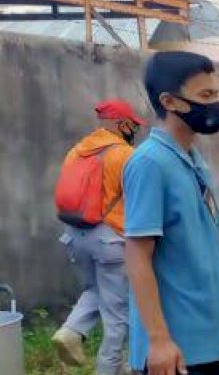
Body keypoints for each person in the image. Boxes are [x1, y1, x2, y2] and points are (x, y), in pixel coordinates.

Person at [123, 51, 219, 375]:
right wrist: (158, 341)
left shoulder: (192, 160)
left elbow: (204, 253)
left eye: (216, 94)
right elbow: (138, 258)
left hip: (211, 343)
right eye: (205, 96)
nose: (215, 104)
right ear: (169, 101)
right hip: (179, 354)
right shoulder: (149, 164)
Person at [52, 99, 145, 375]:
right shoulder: (125, 155)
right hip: (110, 243)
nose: (135, 130)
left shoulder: (76, 152)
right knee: (118, 318)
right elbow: (139, 200)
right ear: (121, 124)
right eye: (133, 124)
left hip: (76, 238)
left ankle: (70, 331)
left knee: (95, 290)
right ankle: (109, 370)